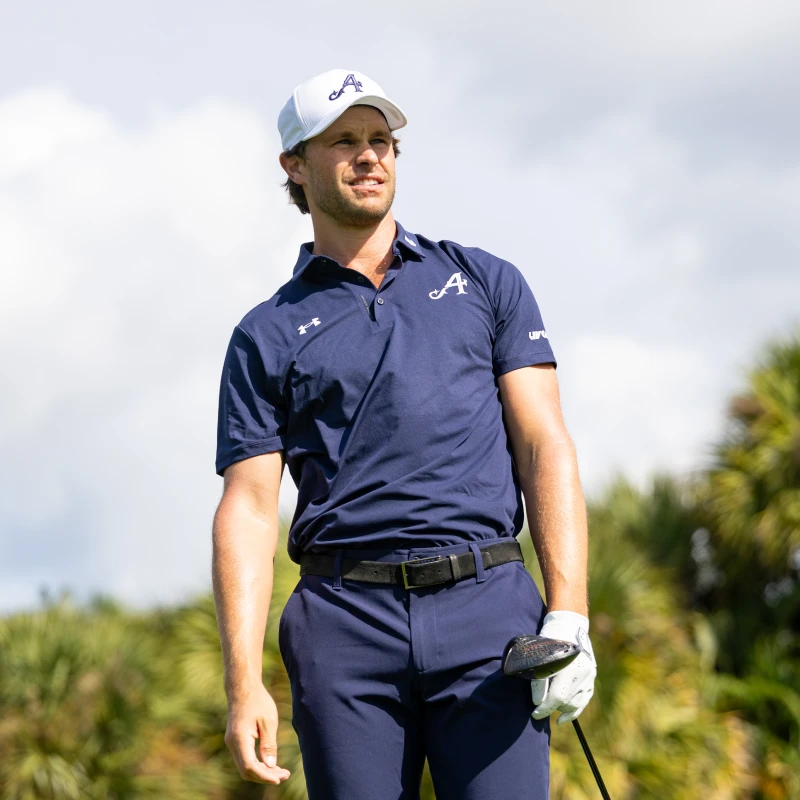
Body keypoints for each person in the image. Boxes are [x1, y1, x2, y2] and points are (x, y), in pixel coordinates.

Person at [212, 68, 596, 800]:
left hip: (489, 614)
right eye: (345, 141)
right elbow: (250, 508)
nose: (370, 157)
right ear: (294, 166)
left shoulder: (484, 281)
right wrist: (243, 683)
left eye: (382, 140)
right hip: (342, 626)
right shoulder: (265, 333)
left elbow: (544, 443)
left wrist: (569, 610)